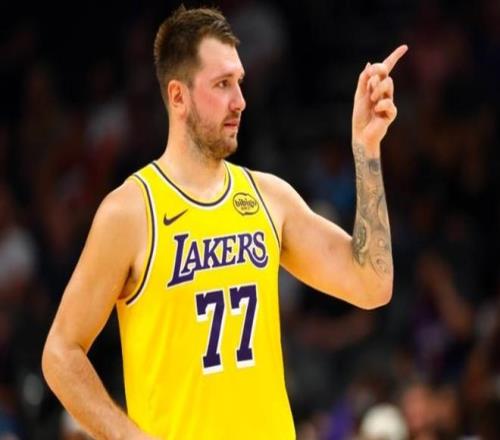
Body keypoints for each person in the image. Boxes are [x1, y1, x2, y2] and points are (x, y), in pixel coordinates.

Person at [41, 5, 407, 439]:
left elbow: (372, 284)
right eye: (222, 84)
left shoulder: (269, 198)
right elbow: (60, 353)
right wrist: (128, 435)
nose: (240, 101)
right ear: (178, 96)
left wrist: (366, 148)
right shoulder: (131, 211)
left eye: (239, 82)